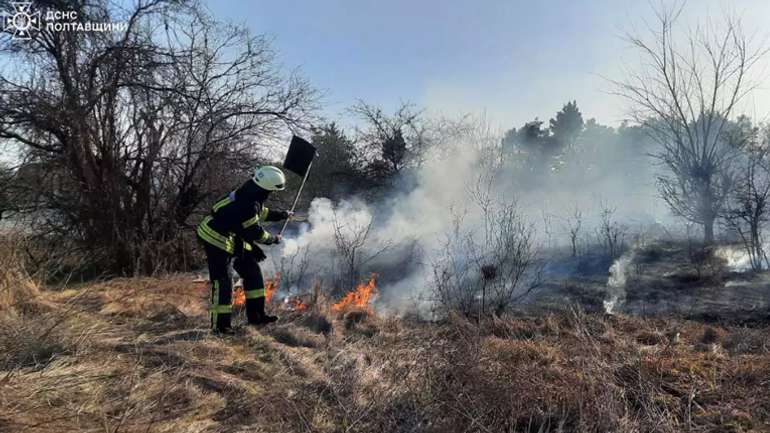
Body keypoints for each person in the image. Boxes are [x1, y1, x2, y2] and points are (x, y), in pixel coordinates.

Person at [196, 165, 292, 334]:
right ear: (267, 188)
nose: (272, 194)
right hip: (214, 237)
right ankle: (221, 327)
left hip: (231, 236)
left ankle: (257, 316)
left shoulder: (251, 192)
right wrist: (273, 240)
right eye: (272, 191)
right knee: (223, 282)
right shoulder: (248, 203)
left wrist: (281, 214)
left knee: (252, 272)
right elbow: (255, 232)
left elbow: (260, 212)